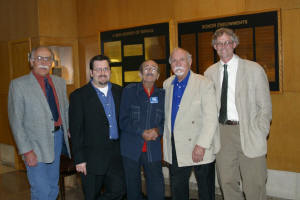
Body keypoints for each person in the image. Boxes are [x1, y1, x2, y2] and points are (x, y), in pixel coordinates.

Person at [204, 28, 272, 200]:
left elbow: (265, 107)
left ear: (234, 44)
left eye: (227, 42)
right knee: (226, 182)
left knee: (255, 184)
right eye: (219, 43)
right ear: (214, 47)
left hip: (249, 130)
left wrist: (260, 132)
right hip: (223, 133)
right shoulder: (209, 73)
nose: (223, 46)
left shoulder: (253, 69)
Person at [8, 46, 71, 200]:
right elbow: (16, 122)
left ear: (52, 63)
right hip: (34, 145)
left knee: (52, 187)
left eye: (48, 59)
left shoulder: (60, 83)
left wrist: (69, 130)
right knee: (41, 190)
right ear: (31, 61)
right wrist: (26, 151)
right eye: (39, 58)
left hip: (57, 140)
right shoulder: (18, 85)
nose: (44, 62)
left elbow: (66, 109)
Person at [163, 47, 220, 200]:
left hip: (200, 145)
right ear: (170, 65)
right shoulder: (167, 84)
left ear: (190, 62)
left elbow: (211, 118)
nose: (178, 63)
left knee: (206, 191)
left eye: (182, 59)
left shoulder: (204, 83)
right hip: (177, 146)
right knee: (178, 190)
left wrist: (201, 145)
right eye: (174, 60)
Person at [69, 55, 125, 200]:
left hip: (116, 155)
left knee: (119, 192)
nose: (102, 72)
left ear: (110, 71)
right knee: (91, 195)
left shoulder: (120, 92)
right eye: (98, 69)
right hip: (91, 158)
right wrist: (79, 159)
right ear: (91, 73)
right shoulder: (78, 96)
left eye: (105, 68)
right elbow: (76, 130)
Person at [119, 60, 165, 200]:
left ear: (157, 75)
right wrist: (141, 132)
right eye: (146, 68)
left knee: (157, 188)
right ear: (140, 73)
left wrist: (158, 131)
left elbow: (167, 121)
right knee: (133, 190)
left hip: (153, 148)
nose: (150, 70)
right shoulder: (129, 91)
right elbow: (123, 120)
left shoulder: (163, 95)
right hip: (131, 149)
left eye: (154, 68)